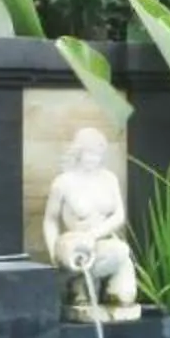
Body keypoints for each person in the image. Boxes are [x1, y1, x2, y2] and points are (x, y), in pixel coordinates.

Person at [42, 126, 137, 320]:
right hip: (76, 246)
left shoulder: (109, 179)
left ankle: (89, 285)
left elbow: (119, 214)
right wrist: (54, 252)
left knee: (124, 296)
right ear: (79, 152)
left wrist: (94, 234)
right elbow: (50, 220)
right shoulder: (63, 183)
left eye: (98, 154)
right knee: (114, 252)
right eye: (90, 154)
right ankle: (79, 284)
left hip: (104, 242)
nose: (94, 159)